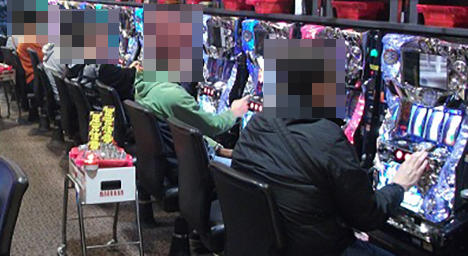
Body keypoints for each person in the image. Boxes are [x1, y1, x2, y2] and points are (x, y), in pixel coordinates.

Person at [232, 40, 428, 256]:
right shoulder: (328, 138)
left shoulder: (257, 123)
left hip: (265, 242)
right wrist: (399, 185)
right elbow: (368, 217)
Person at [134, 61, 249, 172]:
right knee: (250, 172)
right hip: (190, 166)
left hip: (168, 161)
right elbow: (214, 126)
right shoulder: (173, 96)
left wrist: (217, 148)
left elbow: (187, 130)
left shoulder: (144, 86)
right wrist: (234, 112)